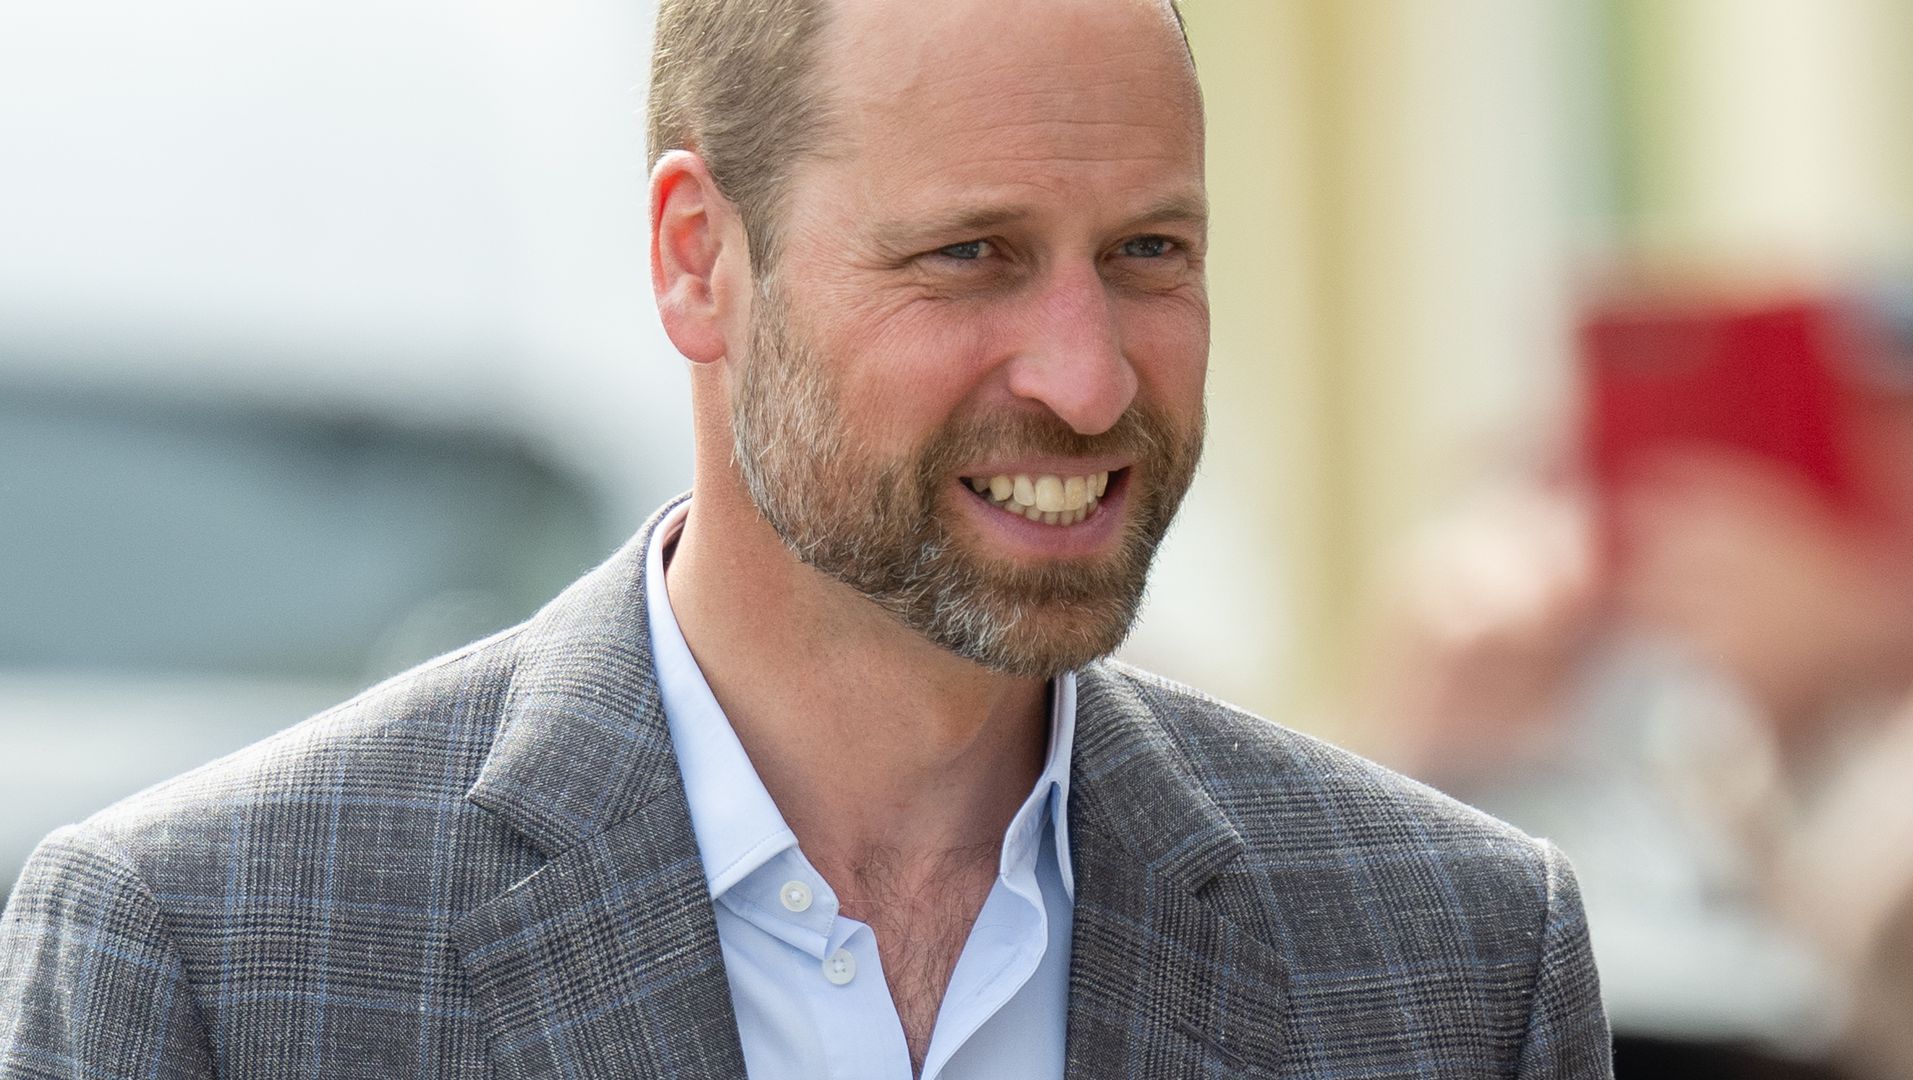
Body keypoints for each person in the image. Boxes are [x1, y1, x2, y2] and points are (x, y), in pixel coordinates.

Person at [0, 1, 1611, 1076]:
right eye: (971, 255)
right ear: (700, 261)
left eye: (1148, 250)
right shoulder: (203, 956)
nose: (1087, 371)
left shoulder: (1461, 964)